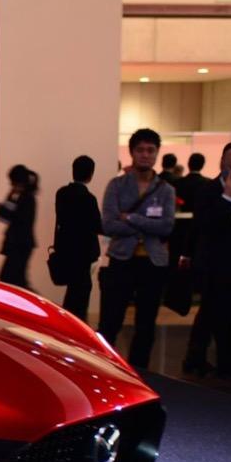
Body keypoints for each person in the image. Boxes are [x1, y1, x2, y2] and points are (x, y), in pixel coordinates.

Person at [97, 127, 176, 370]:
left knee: (146, 324)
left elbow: (166, 226)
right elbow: (108, 224)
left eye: (150, 150)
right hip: (121, 260)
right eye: (140, 150)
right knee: (110, 321)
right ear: (132, 152)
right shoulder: (117, 185)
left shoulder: (166, 190)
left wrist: (131, 218)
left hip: (153, 263)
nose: (145, 155)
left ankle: (139, 372)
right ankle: (104, 369)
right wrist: (147, 225)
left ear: (157, 153)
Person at [182, 142, 231, 377]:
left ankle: (218, 361)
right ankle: (199, 359)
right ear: (222, 162)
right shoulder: (208, 190)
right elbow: (205, 225)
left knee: (220, 313)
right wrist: (227, 198)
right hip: (212, 264)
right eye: (230, 161)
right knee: (211, 311)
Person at [53, 155, 103, 321]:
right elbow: (97, 225)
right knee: (81, 291)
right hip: (84, 252)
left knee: (73, 289)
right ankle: (75, 325)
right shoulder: (89, 198)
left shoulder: (61, 193)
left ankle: (68, 321)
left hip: (66, 249)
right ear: (91, 175)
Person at [0, 164, 37, 289]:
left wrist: (6, 201)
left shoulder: (26, 198)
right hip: (21, 245)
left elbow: (12, 217)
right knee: (17, 280)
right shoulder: (25, 197)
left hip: (19, 245)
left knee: (12, 279)